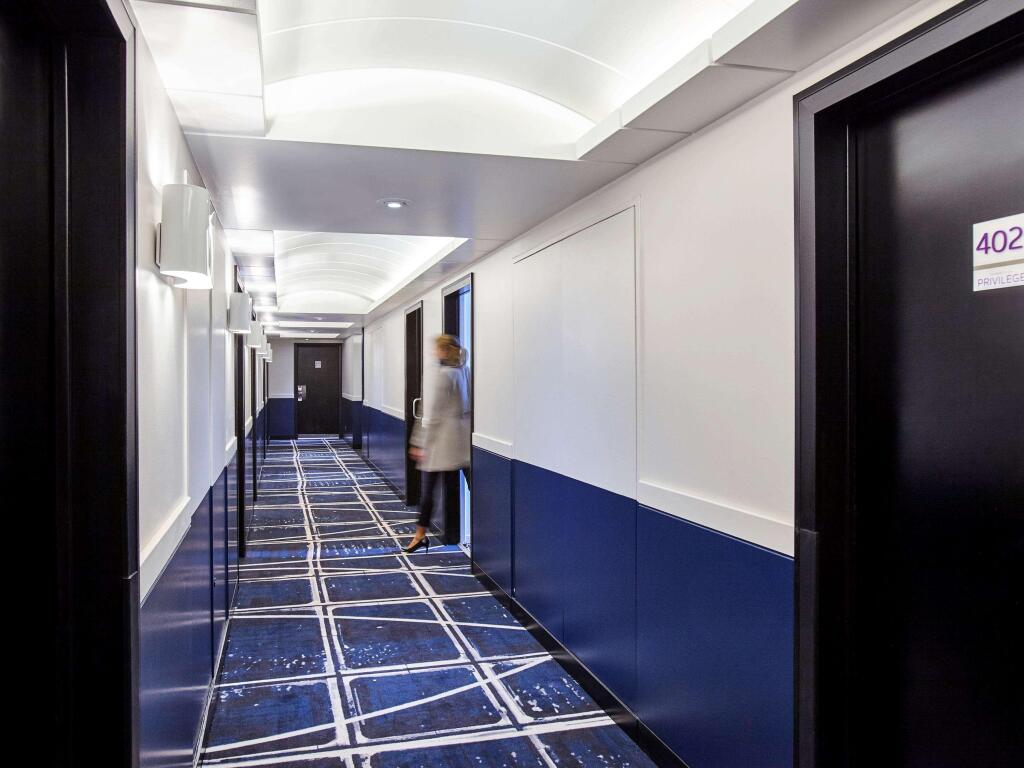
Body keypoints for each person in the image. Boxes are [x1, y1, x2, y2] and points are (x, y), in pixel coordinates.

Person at [404, 334, 471, 554]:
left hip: (440, 444)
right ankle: (478, 534)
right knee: (460, 488)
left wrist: (419, 442)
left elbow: (433, 414)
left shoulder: (443, 375)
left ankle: (420, 535)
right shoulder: (465, 371)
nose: (434, 352)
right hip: (462, 444)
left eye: (437, 348)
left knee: (429, 492)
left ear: (445, 350)